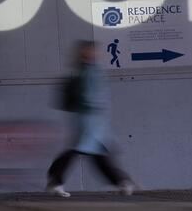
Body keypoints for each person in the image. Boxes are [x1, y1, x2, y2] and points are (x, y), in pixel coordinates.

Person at [47, 40, 136, 197]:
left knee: (90, 153)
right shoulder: (89, 71)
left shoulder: (85, 71)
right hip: (90, 121)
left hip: (90, 121)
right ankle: (122, 182)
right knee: (88, 152)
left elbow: (87, 96)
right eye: (90, 51)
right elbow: (92, 97)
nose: (94, 53)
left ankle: (122, 182)